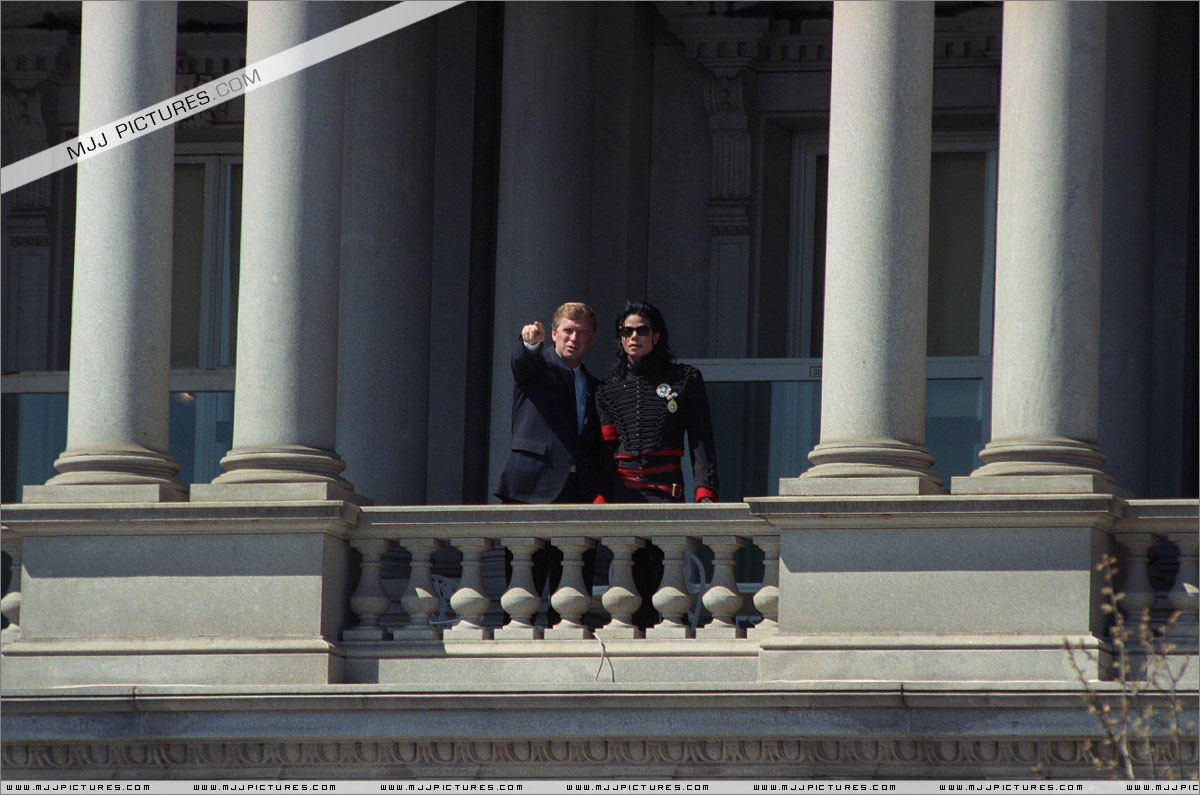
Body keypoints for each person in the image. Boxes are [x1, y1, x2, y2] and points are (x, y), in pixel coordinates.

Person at [595, 300, 718, 504]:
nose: (634, 337)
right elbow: (607, 451)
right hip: (622, 495)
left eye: (642, 330)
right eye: (627, 331)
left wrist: (705, 492)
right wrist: (601, 497)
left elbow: (701, 439)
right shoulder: (607, 389)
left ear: (656, 336)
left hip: (666, 492)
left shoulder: (685, 379)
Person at [496, 301, 606, 504]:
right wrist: (530, 345)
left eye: (582, 333)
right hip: (531, 485)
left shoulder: (595, 386)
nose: (574, 338)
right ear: (554, 334)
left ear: (591, 340)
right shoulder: (537, 368)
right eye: (568, 331)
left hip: (577, 489)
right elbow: (522, 362)